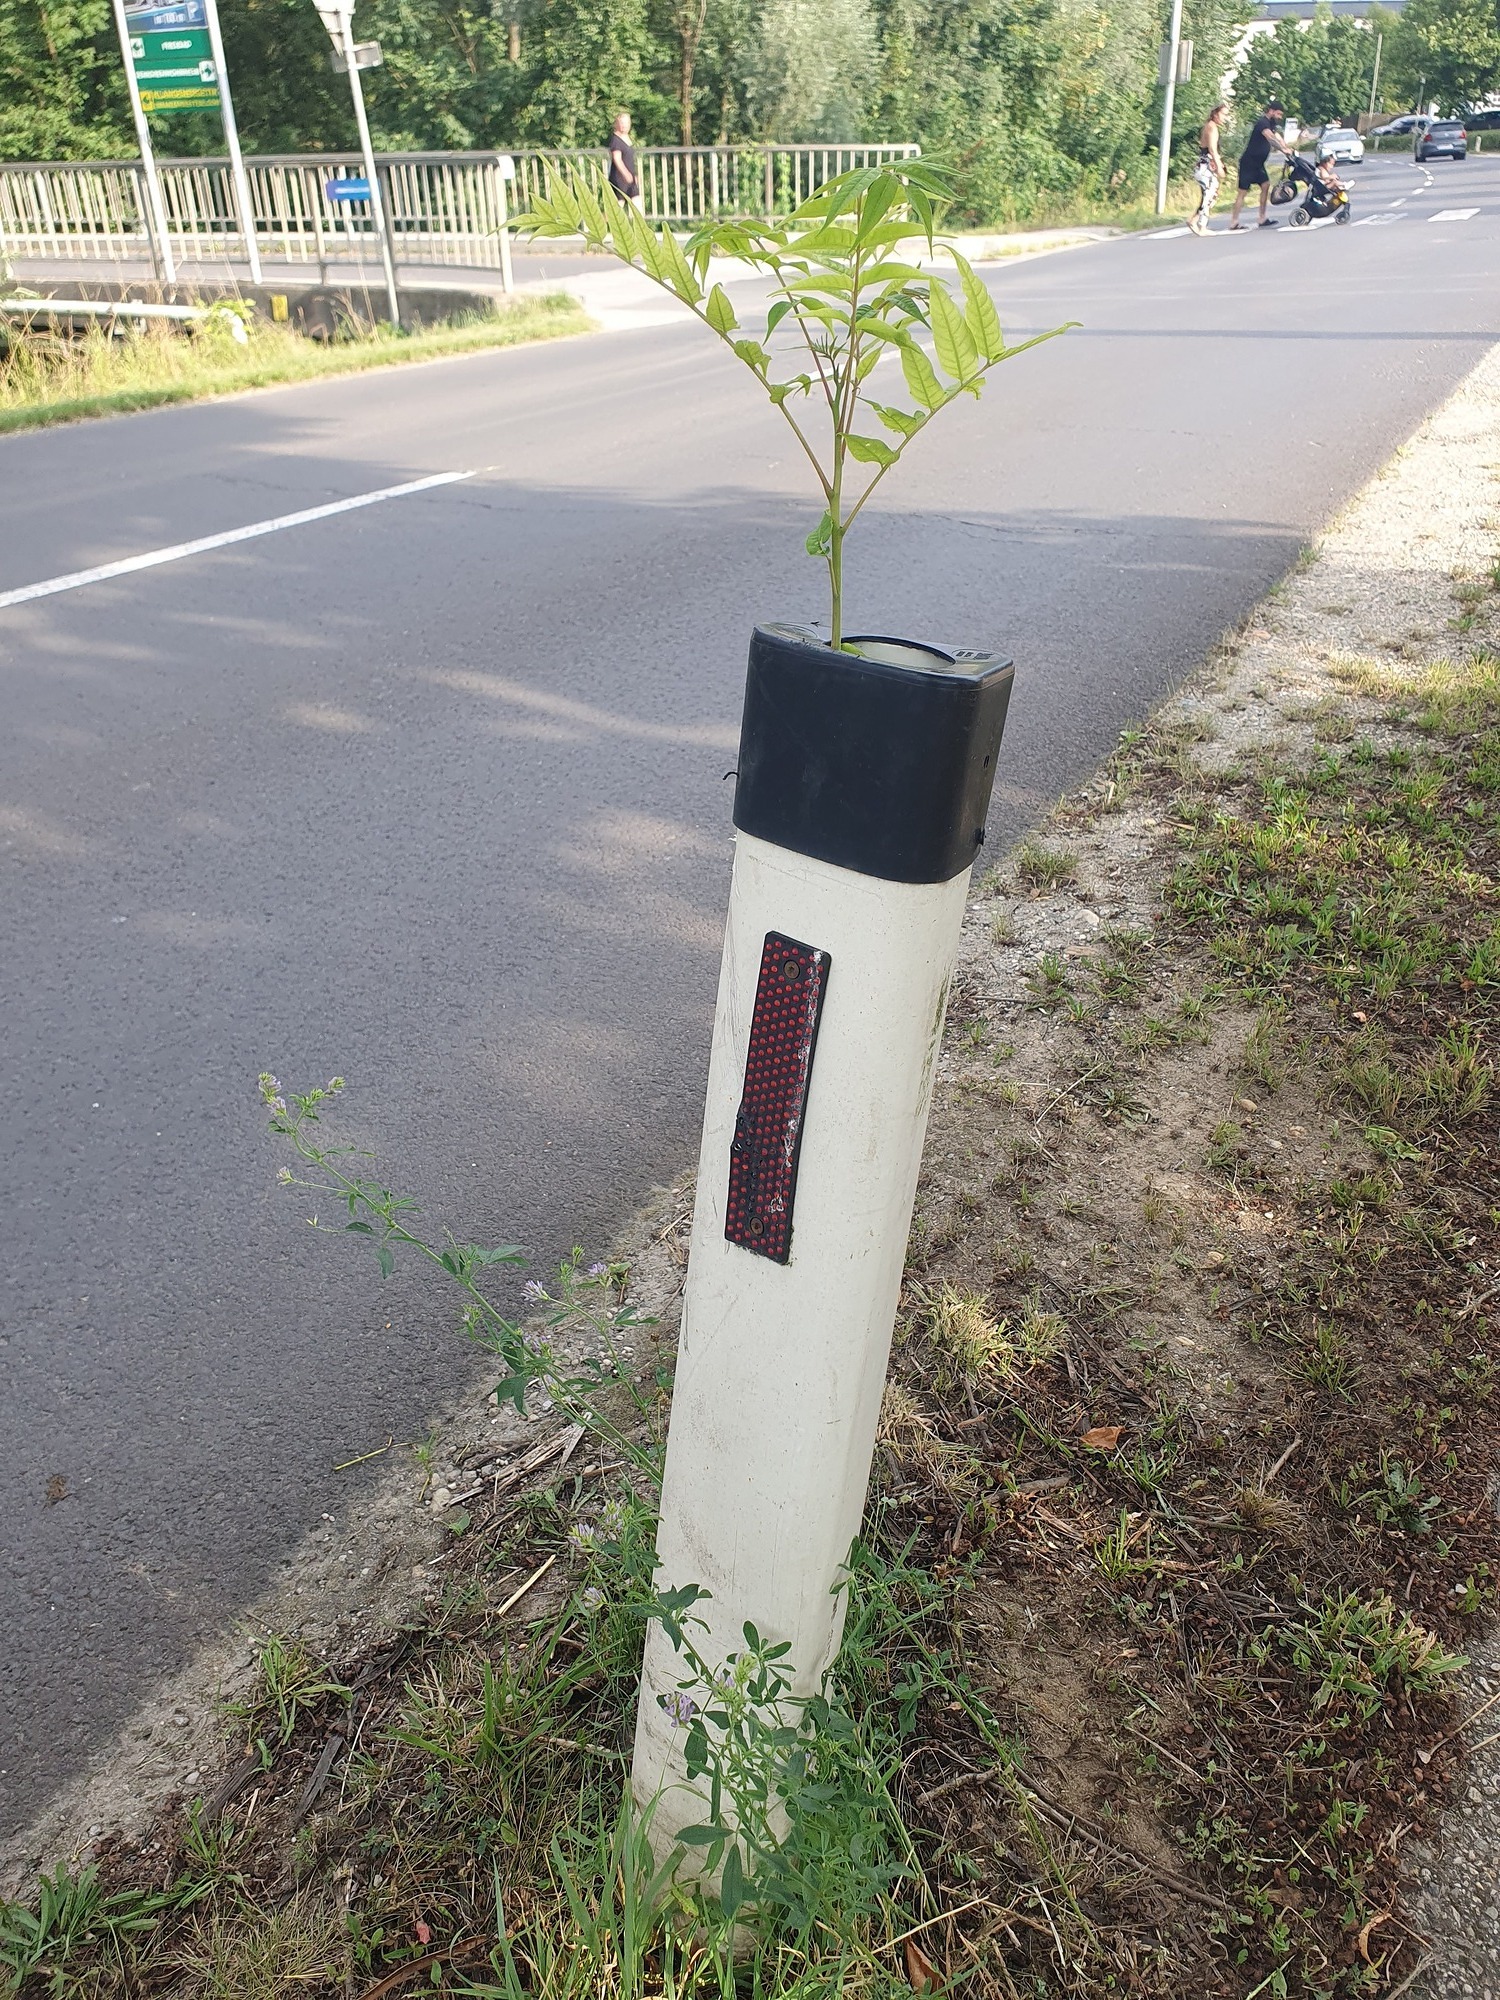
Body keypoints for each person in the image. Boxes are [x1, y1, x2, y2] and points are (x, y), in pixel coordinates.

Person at [1229, 100, 1293, 230]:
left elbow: (1277, 137)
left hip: (1258, 164)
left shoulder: (1271, 123)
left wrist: (1288, 149)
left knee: (1265, 185)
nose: (1280, 117)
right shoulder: (1262, 122)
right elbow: (1270, 138)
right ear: (1271, 111)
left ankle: (1262, 218)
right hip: (1249, 162)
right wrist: (1282, 150)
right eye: (1279, 114)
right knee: (1242, 192)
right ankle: (1234, 222)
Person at [1189, 102, 1227, 234]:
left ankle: (1194, 220)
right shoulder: (1211, 127)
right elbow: (1211, 149)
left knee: (1211, 195)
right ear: (1215, 114)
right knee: (1209, 195)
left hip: (1205, 165)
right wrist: (1219, 166)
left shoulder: (1210, 126)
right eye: (1223, 114)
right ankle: (1202, 226)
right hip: (1206, 167)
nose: (1224, 118)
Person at [606, 111, 643, 211]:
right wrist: (626, 174)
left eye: (626, 123)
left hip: (630, 179)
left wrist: (633, 175)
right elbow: (617, 159)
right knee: (617, 209)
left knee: (638, 205)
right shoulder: (615, 140)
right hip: (619, 179)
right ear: (616, 124)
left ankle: (641, 225)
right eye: (622, 123)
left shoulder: (627, 138)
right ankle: (599, 223)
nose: (624, 126)